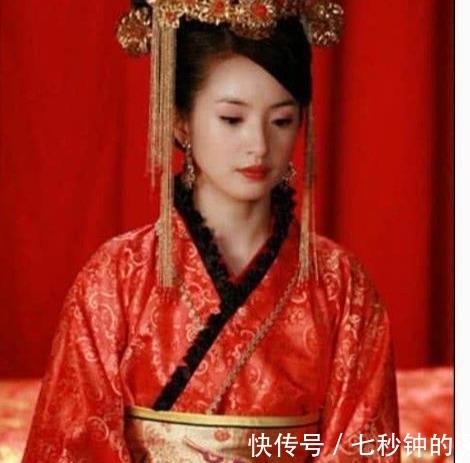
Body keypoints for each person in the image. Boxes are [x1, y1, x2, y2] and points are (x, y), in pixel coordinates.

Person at [22, 1, 400, 461]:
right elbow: (74, 445)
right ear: (181, 121)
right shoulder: (115, 278)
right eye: (232, 119)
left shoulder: (342, 287)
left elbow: (362, 447)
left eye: (281, 120)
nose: (259, 144)